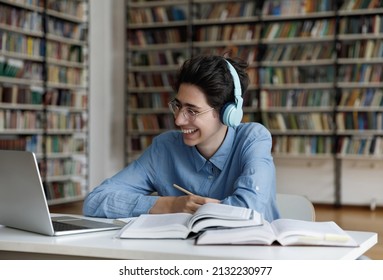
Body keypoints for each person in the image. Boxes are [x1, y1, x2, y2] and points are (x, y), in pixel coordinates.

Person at [83, 54, 280, 222]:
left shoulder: (253, 139)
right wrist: (169, 205)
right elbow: (95, 201)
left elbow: (251, 210)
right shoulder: (165, 148)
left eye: (192, 111)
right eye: (178, 106)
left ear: (228, 112)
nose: (178, 120)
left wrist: (204, 212)